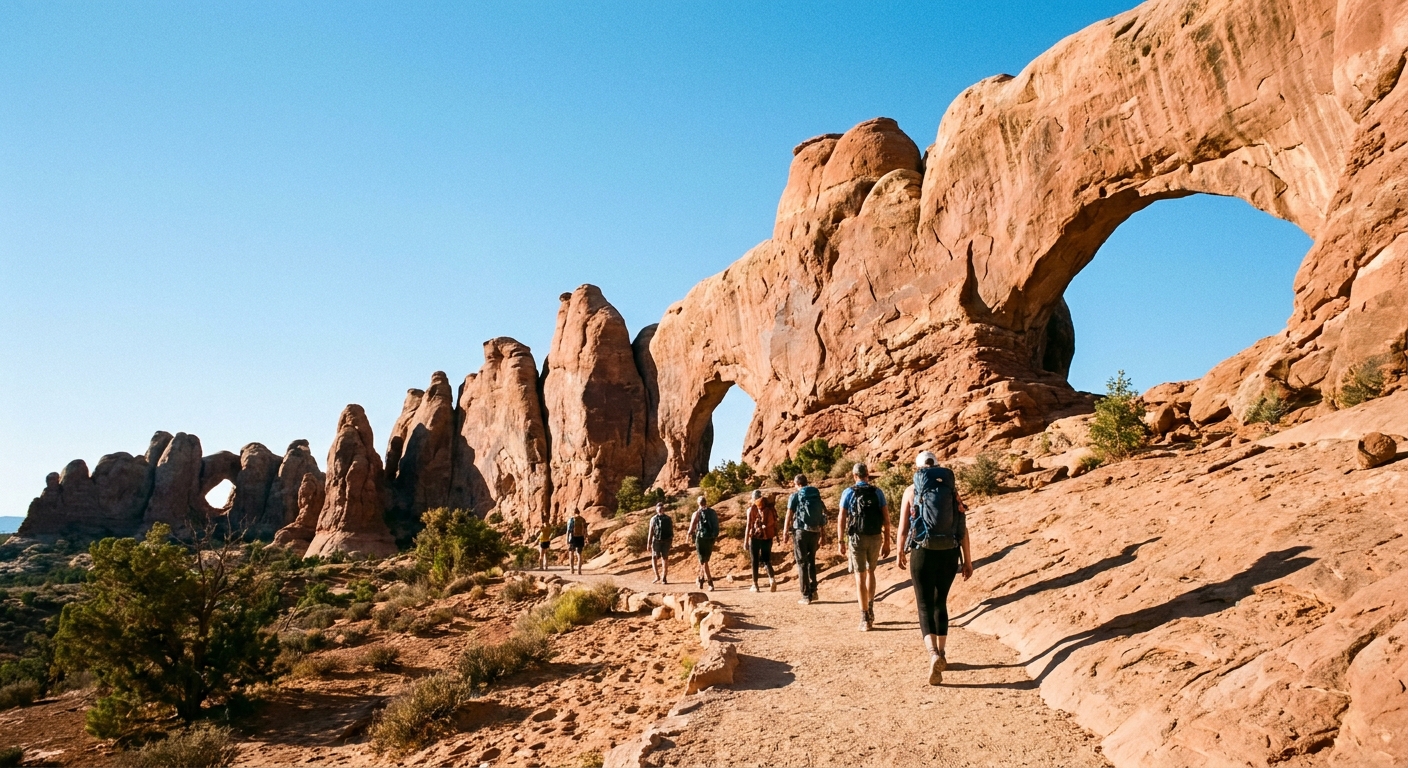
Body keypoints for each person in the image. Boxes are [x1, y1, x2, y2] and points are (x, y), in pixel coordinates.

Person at [896, 450, 973, 685]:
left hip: (922, 552)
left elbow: (904, 528)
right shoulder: (951, 491)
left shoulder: (911, 491)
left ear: (918, 469)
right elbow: (963, 526)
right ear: (938, 467)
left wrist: (900, 550)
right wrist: (967, 560)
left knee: (924, 604)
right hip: (949, 552)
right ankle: (943, 652)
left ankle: (932, 655)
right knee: (941, 602)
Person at [839, 462, 891, 631]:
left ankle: (864, 617)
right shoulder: (877, 492)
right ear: (867, 475)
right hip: (875, 536)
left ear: (855, 476)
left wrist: (841, 541)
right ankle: (871, 607)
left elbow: (841, 517)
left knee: (859, 576)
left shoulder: (848, 492)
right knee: (871, 572)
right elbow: (886, 518)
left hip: (857, 538)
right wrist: (887, 541)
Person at [783, 474, 826, 605]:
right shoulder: (815, 495)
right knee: (811, 561)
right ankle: (814, 591)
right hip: (815, 532)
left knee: (802, 562)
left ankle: (805, 595)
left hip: (800, 532)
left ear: (796, 484)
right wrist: (823, 534)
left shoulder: (795, 496)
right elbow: (822, 514)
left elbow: (789, 514)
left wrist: (785, 531)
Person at [744, 490, 778, 592]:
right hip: (767, 537)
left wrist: (745, 541)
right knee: (766, 559)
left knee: (754, 560)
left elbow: (749, 525)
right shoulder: (769, 508)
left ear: (753, 498)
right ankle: (772, 579)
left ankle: (755, 584)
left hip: (755, 537)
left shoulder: (751, 509)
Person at [687, 496, 720, 591]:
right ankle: (710, 582)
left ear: (698, 503)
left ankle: (701, 579)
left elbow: (691, 527)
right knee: (704, 560)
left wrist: (688, 535)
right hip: (710, 538)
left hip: (701, 538)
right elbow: (716, 526)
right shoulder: (712, 512)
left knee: (703, 561)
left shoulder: (696, 513)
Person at [646, 502, 675, 585]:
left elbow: (651, 532)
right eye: (659, 509)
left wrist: (649, 543)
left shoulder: (662, 519)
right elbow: (651, 532)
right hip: (658, 541)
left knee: (662, 558)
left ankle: (663, 577)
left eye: (661, 509)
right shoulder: (661, 519)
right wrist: (649, 543)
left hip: (664, 541)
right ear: (657, 509)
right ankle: (659, 576)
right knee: (658, 558)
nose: (660, 510)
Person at [566, 510, 588, 575]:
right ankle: (579, 570)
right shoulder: (583, 519)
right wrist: (586, 538)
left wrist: (567, 539)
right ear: (579, 512)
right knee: (579, 554)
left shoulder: (571, 520)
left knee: (571, 553)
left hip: (573, 537)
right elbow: (585, 530)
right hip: (580, 537)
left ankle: (572, 569)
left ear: (574, 513)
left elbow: (568, 531)